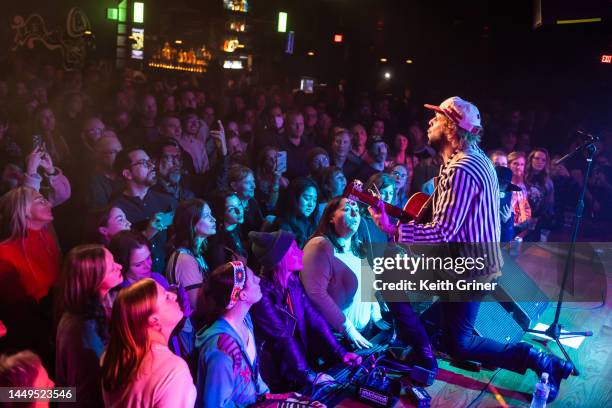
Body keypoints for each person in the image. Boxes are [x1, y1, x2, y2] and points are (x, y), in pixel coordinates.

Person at [368, 96, 572, 402]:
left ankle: (425, 359)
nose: (430, 123)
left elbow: (444, 230)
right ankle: (541, 361)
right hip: (474, 265)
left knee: (389, 280)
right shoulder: (475, 159)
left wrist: (392, 229)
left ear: (451, 129)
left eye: (437, 119)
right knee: (459, 343)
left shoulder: (461, 169)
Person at [248, 230, 362, 391]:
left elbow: (315, 318)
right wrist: (309, 375)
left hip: (299, 366)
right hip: (279, 374)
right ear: (280, 259)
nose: (300, 252)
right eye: (294, 249)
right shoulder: (262, 295)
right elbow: (282, 338)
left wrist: (341, 353)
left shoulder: (292, 281)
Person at [301, 197, 389, 350]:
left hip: (363, 334)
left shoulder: (359, 247)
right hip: (334, 339)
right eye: (347, 210)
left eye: (356, 210)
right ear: (331, 218)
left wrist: (376, 315)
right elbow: (316, 293)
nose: (355, 214)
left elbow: (369, 285)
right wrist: (347, 329)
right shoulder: (320, 246)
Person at [101, 278, 196, 407]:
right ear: (154, 321)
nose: (173, 296)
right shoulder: (172, 372)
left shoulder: (113, 358)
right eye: (166, 298)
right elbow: (67, 395)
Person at [55, 244, 123, 407]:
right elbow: (87, 391)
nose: (120, 266)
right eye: (112, 267)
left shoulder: (84, 313)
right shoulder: (82, 331)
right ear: (94, 279)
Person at [194, 261, 269, 407]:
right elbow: (216, 404)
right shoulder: (221, 347)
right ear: (243, 295)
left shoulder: (245, 322)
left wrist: (268, 398)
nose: (259, 280)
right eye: (253, 280)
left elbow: (254, 378)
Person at [112, 147, 177, 273]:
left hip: (167, 277)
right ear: (128, 174)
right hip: (138, 281)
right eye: (143, 163)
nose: (152, 166)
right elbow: (120, 252)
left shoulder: (166, 201)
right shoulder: (118, 210)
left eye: (150, 161)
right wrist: (147, 234)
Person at [166, 199, 216, 310]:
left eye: (211, 215)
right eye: (207, 216)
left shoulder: (195, 255)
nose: (214, 219)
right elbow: (198, 306)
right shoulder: (185, 260)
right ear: (192, 222)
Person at [207, 191, 249, 269]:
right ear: (221, 215)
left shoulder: (240, 226)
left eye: (239, 205)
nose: (239, 211)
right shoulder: (219, 246)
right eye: (231, 209)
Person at [276, 177, 319, 249]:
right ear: (294, 197)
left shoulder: (311, 223)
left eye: (314, 200)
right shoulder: (283, 226)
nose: (311, 204)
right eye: (307, 198)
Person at [525, 148, 555, 240]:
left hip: (537, 221)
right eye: (537, 158)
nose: (540, 162)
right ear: (531, 159)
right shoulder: (523, 175)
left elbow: (549, 205)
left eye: (543, 160)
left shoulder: (548, 181)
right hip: (519, 218)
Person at [508, 151, 532, 235]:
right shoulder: (505, 185)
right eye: (515, 164)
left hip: (520, 228)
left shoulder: (524, 184)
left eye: (522, 165)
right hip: (508, 228)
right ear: (508, 165)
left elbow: (524, 208)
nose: (519, 167)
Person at [496, 166, 521, 242]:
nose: (499, 187)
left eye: (503, 185)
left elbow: (506, 240)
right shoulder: (480, 199)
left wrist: (506, 222)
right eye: (498, 183)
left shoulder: (508, 208)